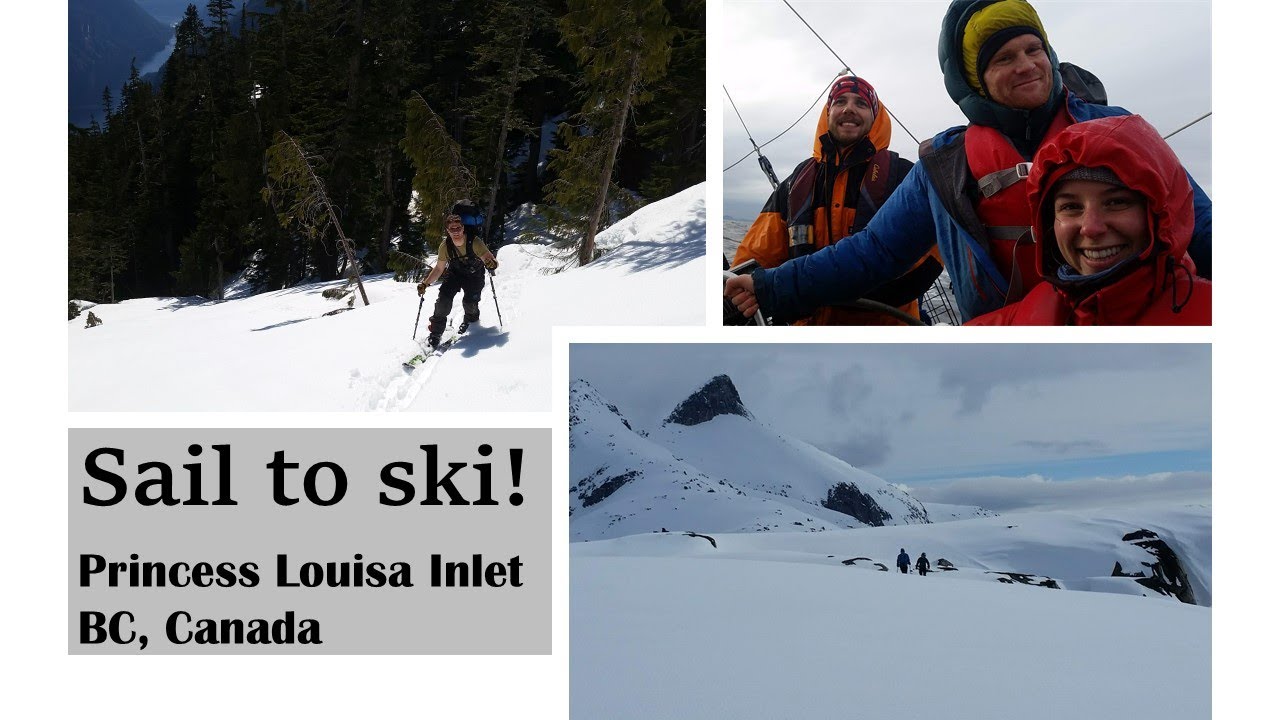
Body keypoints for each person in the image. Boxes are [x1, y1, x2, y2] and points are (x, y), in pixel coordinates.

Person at [725, 0, 1211, 324]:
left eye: (1033, 49)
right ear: (973, 80)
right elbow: (872, 253)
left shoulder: (1119, 128)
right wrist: (770, 288)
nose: (1025, 65)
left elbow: (1201, 227)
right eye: (1002, 59)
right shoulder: (945, 167)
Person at [731, 74, 942, 325]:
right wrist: (742, 292)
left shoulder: (904, 176)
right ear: (828, 112)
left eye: (861, 104)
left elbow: (929, 262)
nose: (849, 109)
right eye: (840, 101)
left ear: (876, 117)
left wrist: (816, 292)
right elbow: (754, 256)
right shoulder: (796, 183)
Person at [967, 115, 1210, 324]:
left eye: (1116, 202)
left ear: (1160, 215)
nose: (1091, 228)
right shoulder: (1035, 311)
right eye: (1071, 207)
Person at [417, 200, 498, 347]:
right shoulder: (445, 245)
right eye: (452, 229)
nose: (455, 231)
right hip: (455, 274)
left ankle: (471, 323)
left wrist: (491, 263)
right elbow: (439, 269)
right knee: (443, 301)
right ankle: (435, 333)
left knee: (470, 303)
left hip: (474, 275)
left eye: (458, 228)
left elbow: (488, 257)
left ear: (463, 228)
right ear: (447, 230)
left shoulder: (474, 241)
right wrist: (425, 283)